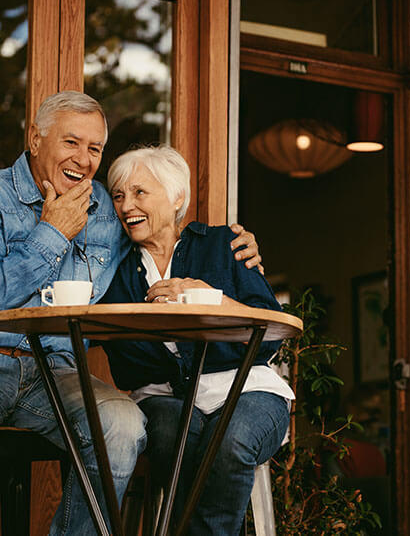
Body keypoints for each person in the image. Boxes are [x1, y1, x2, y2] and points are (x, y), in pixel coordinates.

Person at [0, 90, 262, 534]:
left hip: (57, 373)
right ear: (35, 138)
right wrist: (52, 234)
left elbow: (161, 241)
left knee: (122, 427)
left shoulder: (107, 211)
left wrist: (239, 252)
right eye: (71, 143)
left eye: (95, 148)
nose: (83, 160)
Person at [102, 145, 294, 535]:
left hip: (248, 390)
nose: (126, 206)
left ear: (176, 198)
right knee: (176, 437)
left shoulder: (224, 245)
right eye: (119, 195)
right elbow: (126, 364)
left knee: (230, 440)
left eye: (140, 192)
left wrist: (212, 299)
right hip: (164, 398)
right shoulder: (116, 271)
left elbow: (270, 336)